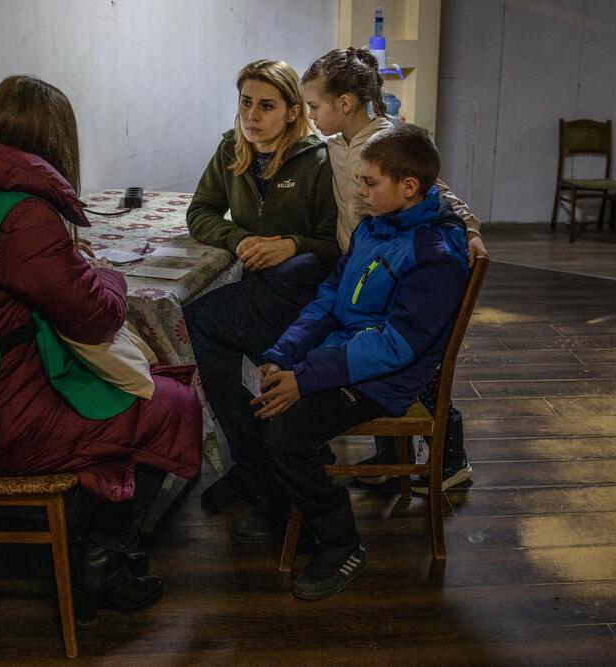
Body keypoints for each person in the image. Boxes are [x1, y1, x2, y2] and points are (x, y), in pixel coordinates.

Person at [0, 75, 202, 624]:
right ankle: (100, 561)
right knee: (169, 404)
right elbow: (93, 317)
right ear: (59, 143)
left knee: (125, 390)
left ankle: (93, 541)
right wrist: (102, 272)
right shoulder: (22, 217)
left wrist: (63, 257)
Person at [239, 123, 470, 599]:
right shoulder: (372, 228)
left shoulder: (435, 255)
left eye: (370, 183)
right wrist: (285, 353)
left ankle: (342, 542)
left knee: (284, 434)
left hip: (386, 379)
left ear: (408, 188)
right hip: (344, 358)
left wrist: (304, 378)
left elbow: (395, 347)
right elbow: (329, 299)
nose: (359, 192)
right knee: (264, 406)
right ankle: (299, 506)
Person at [301, 47, 489, 492]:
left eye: (314, 107)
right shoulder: (339, 145)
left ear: (344, 103)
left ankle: (448, 461)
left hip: (397, 271)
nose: (310, 116)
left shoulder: (384, 144)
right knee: (388, 364)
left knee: (418, 373)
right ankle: (393, 457)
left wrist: (470, 229)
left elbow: (439, 195)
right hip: (368, 265)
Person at [184, 60, 339, 512]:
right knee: (214, 340)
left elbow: (336, 243)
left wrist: (292, 244)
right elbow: (200, 213)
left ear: (293, 111)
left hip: (304, 297)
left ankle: (263, 465)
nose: (251, 116)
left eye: (266, 106)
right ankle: (262, 461)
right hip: (257, 288)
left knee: (199, 327)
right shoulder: (233, 147)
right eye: (246, 102)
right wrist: (241, 238)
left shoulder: (320, 161)